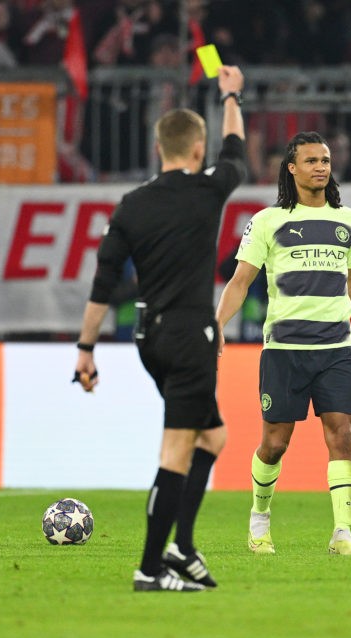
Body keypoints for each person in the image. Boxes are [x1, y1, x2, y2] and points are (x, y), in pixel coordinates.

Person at [74, 65, 247, 592]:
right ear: (197, 150)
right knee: (175, 453)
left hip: (149, 339)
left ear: (157, 148)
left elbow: (103, 284)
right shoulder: (207, 191)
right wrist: (231, 95)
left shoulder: (131, 205)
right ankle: (150, 568)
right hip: (191, 338)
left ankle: (183, 546)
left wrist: (85, 349)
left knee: (212, 437)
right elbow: (236, 151)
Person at [216, 131, 351, 557]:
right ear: (291, 168)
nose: (320, 167)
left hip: (335, 348)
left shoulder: (348, 220)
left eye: (325, 160)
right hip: (284, 351)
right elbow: (240, 281)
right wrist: (216, 325)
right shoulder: (268, 221)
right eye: (310, 161)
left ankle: (342, 534)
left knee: (341, 434)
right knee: (275, 443)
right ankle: (259, 519)